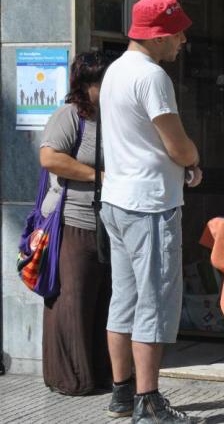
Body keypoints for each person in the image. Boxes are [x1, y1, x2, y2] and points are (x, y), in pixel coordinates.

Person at [99, 0, 202, 423]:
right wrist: (194, 159)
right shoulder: (153, 76)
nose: (181, 40)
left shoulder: (114, 71)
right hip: (150, 206)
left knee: (123, 300)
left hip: (118, 200)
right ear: (159, 35)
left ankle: (122, 394)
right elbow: (176, 144)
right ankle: (149, 401)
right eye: (177, 32)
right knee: (154, 304)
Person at [40, 51, 112, 395]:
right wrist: (98, 176)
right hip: (73, 222)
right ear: (86, 85)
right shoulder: (70, 116)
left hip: (107, 222)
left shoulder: (112, 116)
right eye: (102, 81)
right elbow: (50, 157)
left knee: (102, 300)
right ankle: (72, 379)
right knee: (74, 299)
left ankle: (100, 373)